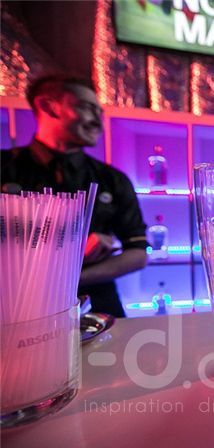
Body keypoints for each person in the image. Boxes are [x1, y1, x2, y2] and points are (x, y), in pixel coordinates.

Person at [1, 75, 148, 317]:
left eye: (100, 112)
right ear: (48, 106)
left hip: (99, 313)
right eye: (87, 108)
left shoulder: (112, 179)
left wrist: (70, 280)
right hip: (16, 311)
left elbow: (138, 253)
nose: (98, 122)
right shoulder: (5, 167)